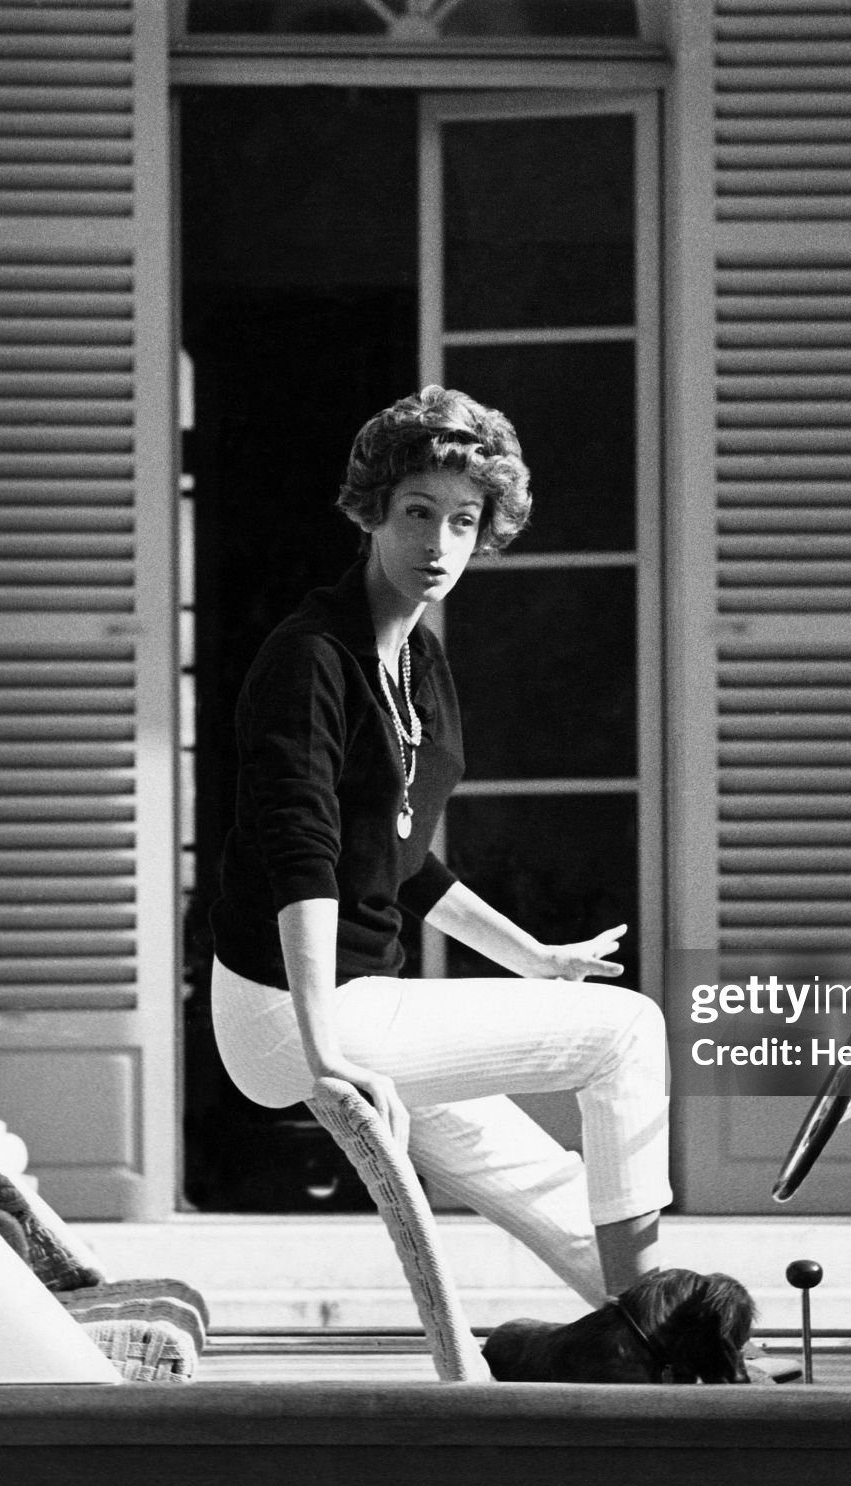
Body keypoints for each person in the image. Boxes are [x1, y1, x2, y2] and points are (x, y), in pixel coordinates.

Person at [208, 385, 669, 1304]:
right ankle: (665, 1318)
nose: (439, 544)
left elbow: (401, 858)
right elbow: (302, 855)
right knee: (628, 1033)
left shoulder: (418, 663)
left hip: (352, 999)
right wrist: (327, 1050)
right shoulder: (311, 659)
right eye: (418, 513)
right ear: (373, 510)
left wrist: (531, 957)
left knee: (545, 1182)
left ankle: (678, 1348)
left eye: (464, 521)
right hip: (291, 1008)